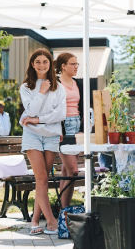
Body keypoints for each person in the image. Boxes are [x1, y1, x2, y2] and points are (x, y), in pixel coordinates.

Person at [19, 49, 66, 236]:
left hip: (52, 134)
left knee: (43, 180)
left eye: (45, 62)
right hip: (32, 135)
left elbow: (60, 114)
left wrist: (39, 119)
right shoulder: (25, 87)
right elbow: (30, 111)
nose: (41, 65)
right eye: (37, 62)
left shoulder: (59, 87)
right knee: (42, 179)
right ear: (32, 64)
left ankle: (34, 220)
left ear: (50, 64)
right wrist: (41, 91)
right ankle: (52, 222)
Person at [55, 52, 84, 209]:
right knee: (73, 171)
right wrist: (59, 130)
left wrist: (83, 129)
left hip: (76, 126)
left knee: (66, 171)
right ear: (63, 66)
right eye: (73, 64)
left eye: (77, 64)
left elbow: (83, 107)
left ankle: (62, 209)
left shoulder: (78, 83)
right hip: (63, 128)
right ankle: (64, 210)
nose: (76, 67)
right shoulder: (56, 84)